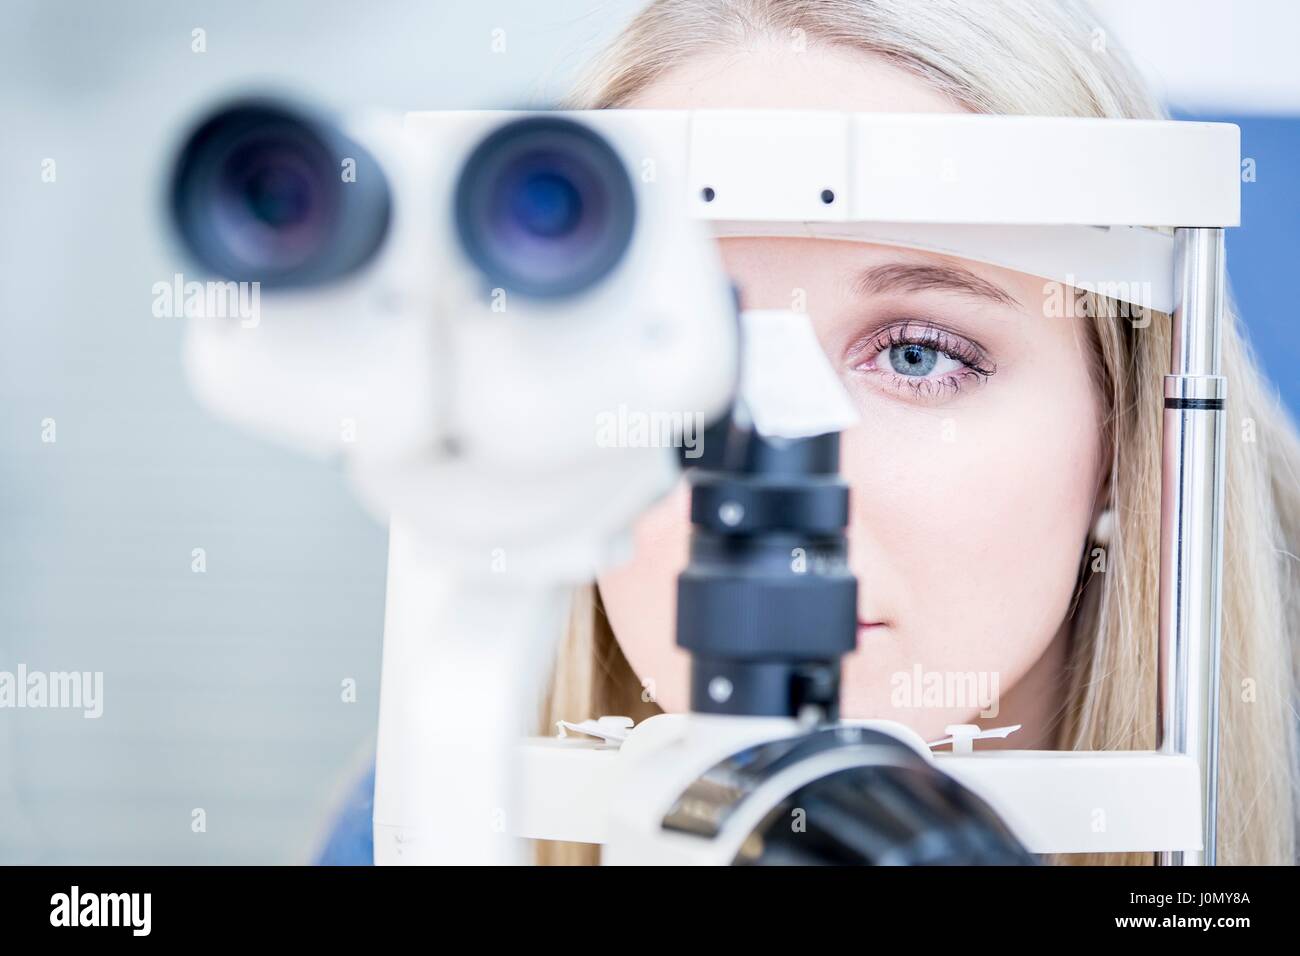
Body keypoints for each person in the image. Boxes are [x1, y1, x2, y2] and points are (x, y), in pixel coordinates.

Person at [323, 0, 1300, 866]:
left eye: (919, 354)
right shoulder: (436, 804)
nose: (775, 459)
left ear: (1125, 431)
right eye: (685, 354)